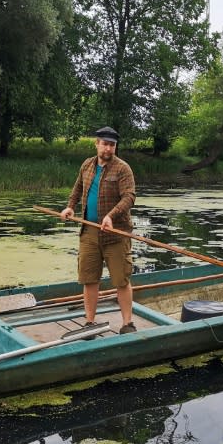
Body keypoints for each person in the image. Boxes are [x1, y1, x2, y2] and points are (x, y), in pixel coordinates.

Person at [60, 126, 137, 334]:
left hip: (116, 234)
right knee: (89, 278)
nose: (108, 149)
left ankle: (127, 323)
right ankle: (90, 322)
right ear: (97, 144)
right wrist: (70, 206)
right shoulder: (87, 165)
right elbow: (77, 189)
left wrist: (110, 216)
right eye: (105, 144)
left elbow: (129, 197)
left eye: (112, 145)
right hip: (89, 233)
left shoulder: (123, 169)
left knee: (121, 280)